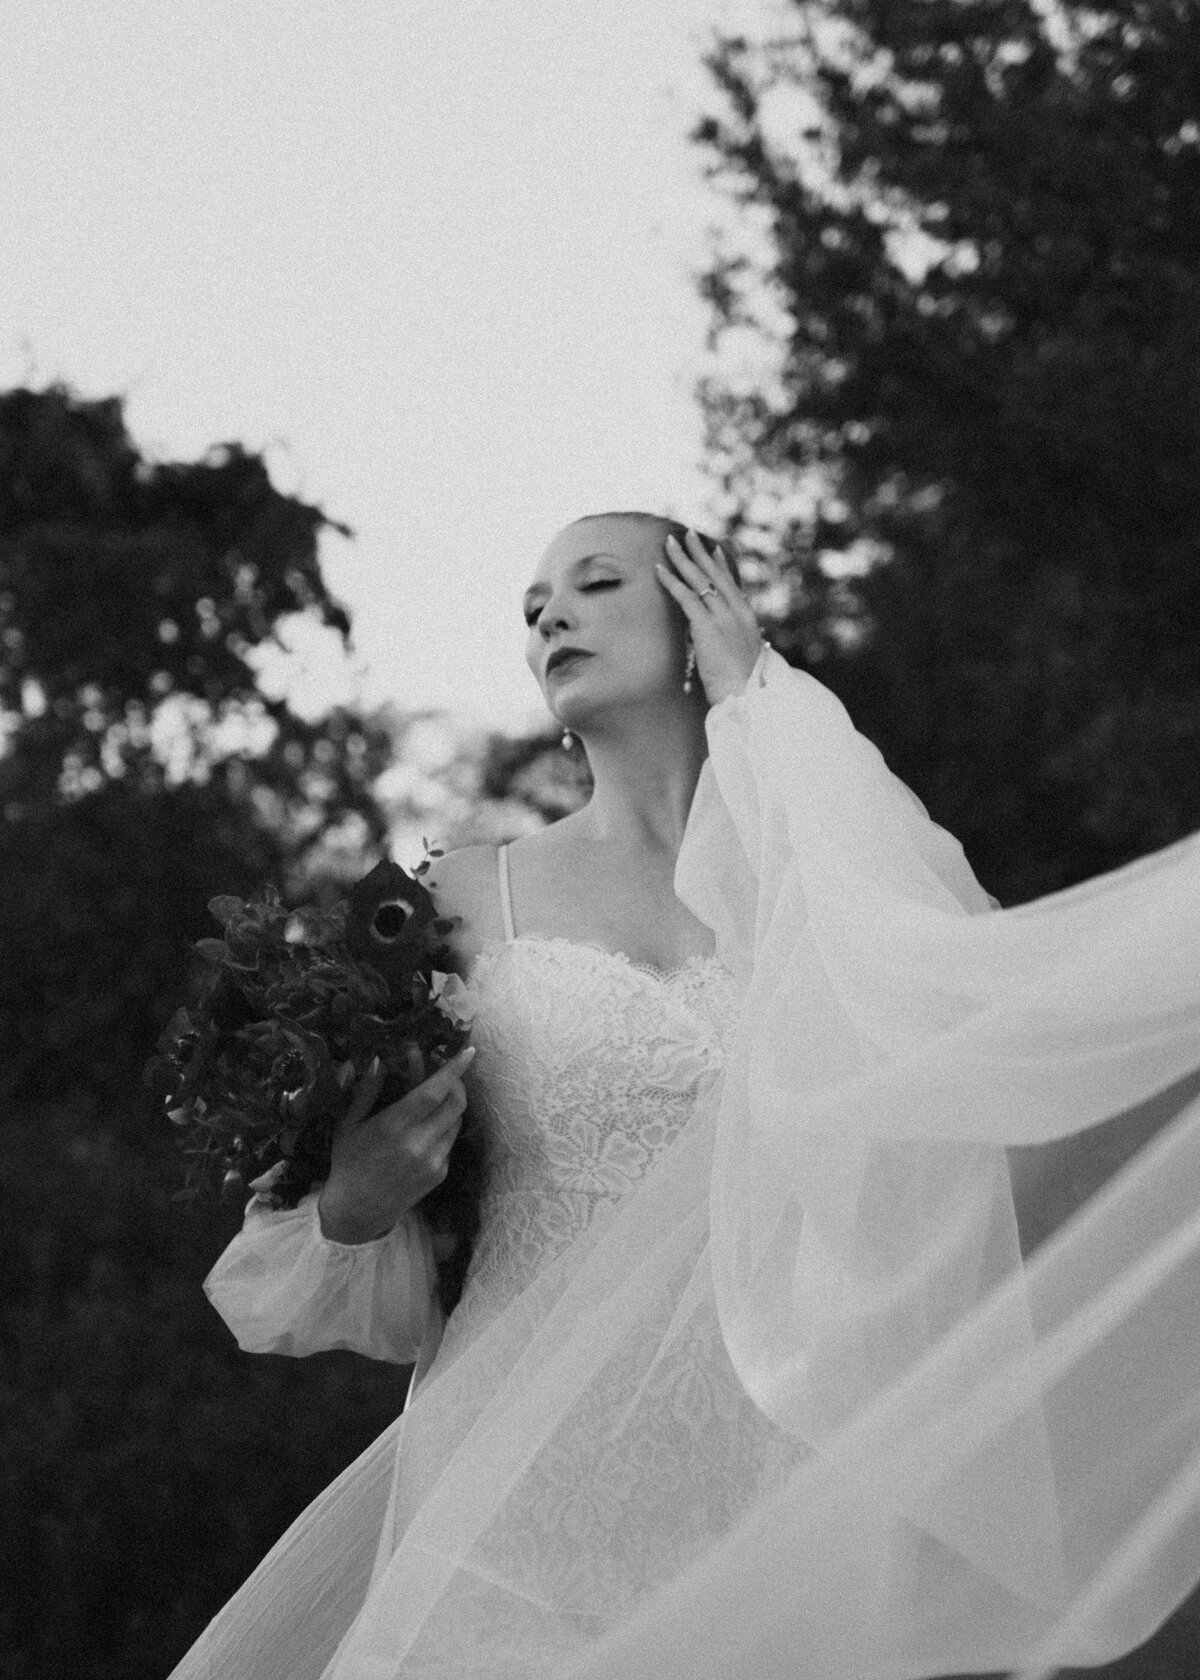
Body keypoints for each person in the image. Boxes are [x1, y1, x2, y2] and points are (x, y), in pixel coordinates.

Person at [170, 514, 1200, 1680]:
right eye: (531, 605)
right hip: (526, 1493)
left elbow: (969, 1040)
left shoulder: (819, 889)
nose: (550, 614)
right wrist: (356, 1201)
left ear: (697, 603)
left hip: (777, 1481)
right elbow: (307, 1239)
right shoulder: (453, 898)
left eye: (595, 582)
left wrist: (766, 693)